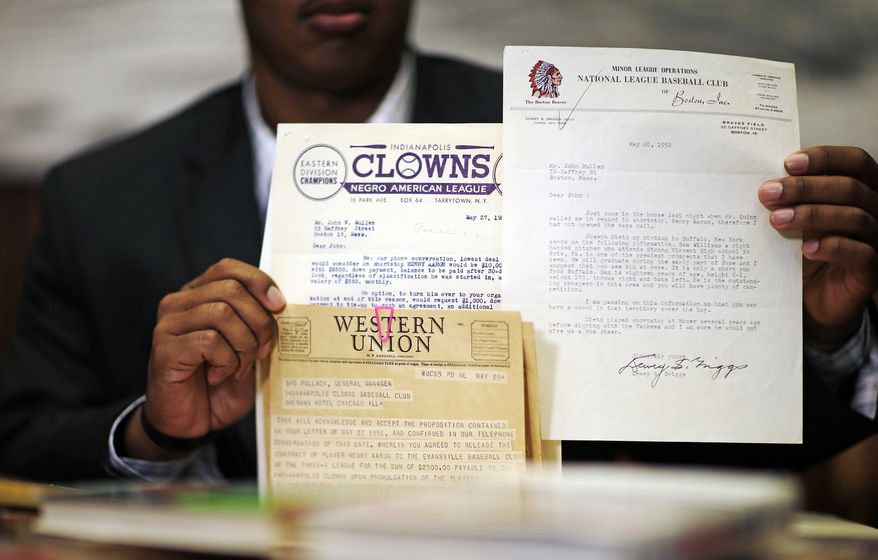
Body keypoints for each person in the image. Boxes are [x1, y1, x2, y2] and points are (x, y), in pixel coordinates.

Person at [0, 0, 875, 482]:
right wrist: (156, 431)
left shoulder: (579, 141)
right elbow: (26, 437)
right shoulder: (100, 198)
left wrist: (825, 339)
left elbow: (726, 449)